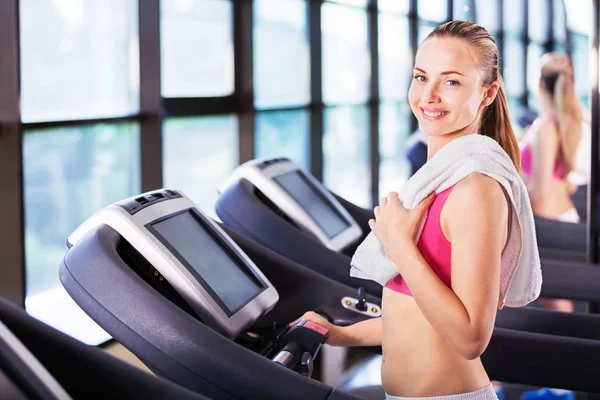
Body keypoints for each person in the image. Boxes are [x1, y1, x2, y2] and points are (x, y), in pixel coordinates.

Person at [292, 21, 531, 400]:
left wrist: (399, 244)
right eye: (421, 77)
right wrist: (342, 334)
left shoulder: (475, 189)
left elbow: (470, 337)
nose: (429, 95)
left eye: (451, 82)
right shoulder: (432, 180)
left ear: (488, 93)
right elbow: (416, 315)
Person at [519, 53, 584, 225]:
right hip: (560, 219)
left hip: (552, 223)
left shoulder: (546, 128)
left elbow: (541, 194)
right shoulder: (561, 124)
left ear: (539, 83)